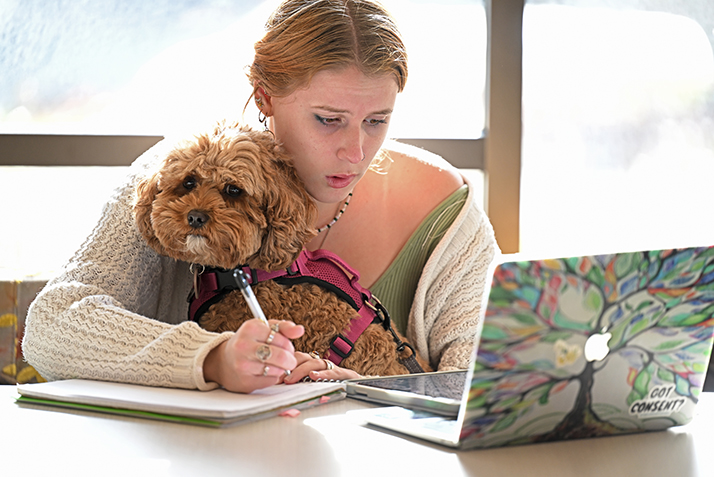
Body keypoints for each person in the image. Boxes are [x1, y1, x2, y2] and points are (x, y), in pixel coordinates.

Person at [23, 0, 498, 393]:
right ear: (264, 97)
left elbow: (490, 382)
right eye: (328, 119)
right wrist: (211, 358)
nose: (355, 152)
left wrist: (368, 395)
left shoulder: (445, 210)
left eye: (376, 121)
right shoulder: (178, 179)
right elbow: (52, 327)